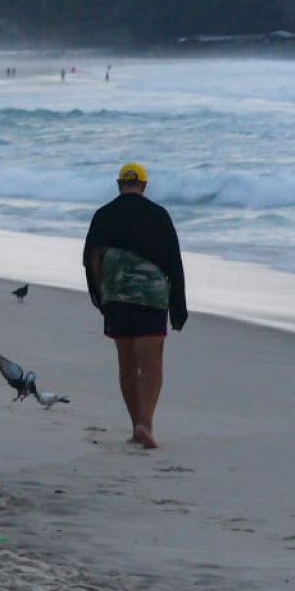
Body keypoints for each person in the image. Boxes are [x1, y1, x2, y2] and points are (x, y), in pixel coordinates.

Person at [83, 162, 187, 448]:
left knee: (126, 361)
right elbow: (174, 262)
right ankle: (145, 424)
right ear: (144, 185)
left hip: (116, 292)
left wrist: (100, 295)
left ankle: (135, 426)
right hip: (150, 294)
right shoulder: (158, 215)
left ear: (119, 185)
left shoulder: (104, 214)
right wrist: (178, 308)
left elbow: (92, 258)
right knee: (151, 363)